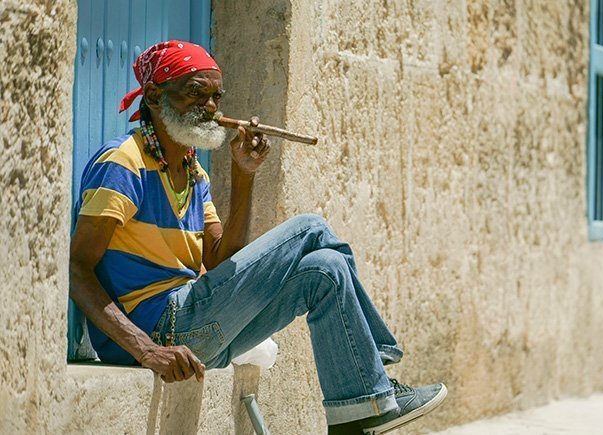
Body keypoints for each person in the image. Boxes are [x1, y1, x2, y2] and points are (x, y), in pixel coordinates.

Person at [68, 40, 446, 435]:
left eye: (216, 96)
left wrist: (244, 173)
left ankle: (358, 411)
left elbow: (219, 260)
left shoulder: (194, 173)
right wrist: (146, 349)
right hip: (157, 329)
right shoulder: (123, 163)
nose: (210, 107)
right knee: (311, 228)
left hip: (194, 330)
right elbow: (77, 270)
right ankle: (375, 360)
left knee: (327, 269)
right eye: (195, 93)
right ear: (153, 96)